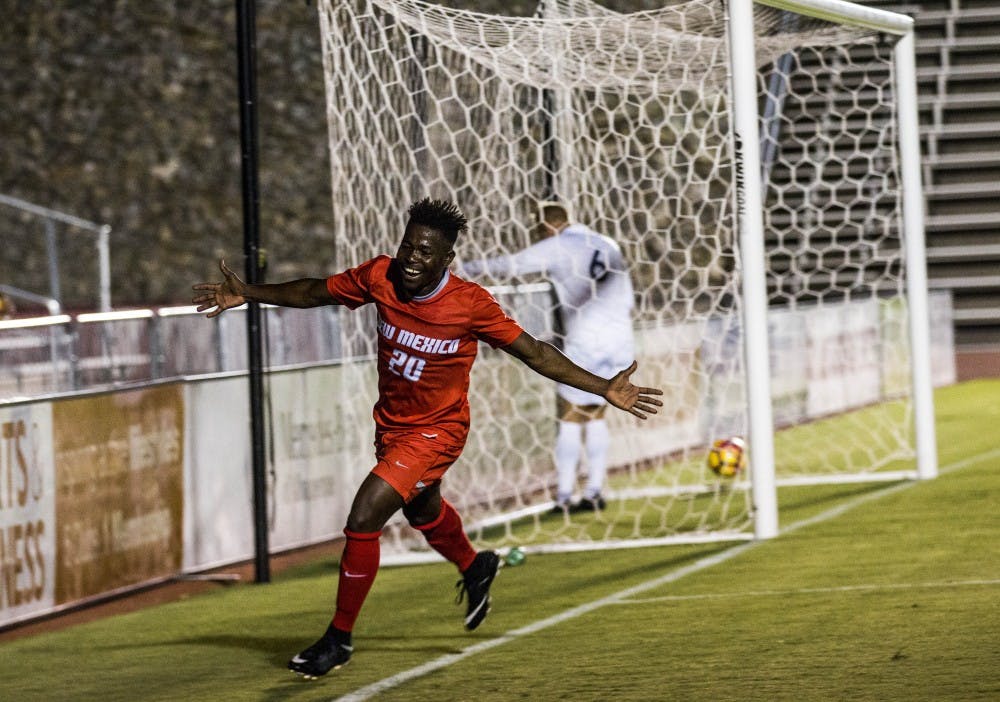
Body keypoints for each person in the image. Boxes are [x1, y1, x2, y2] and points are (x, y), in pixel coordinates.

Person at [192, 198, 662, 679]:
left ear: (446, 259)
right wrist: (249, 292)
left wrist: (604, 387)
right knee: (422, 509)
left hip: (438, 431)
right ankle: (474, 564)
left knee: (364, 516)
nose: (412, 259)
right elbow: (316, 292)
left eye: (425, 252)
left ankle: (338, 639)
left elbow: (536, 353)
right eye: (408, 247)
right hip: (393, 426)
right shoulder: (381, 276)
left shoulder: (470, 304)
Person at [460, 202, 636, 512]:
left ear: (547, 227)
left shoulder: (559, 245)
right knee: (596, 412)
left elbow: (512, 265)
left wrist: (467, 267)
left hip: (586, 338)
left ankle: (565, 494)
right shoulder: (606, 242)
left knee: (570, 413)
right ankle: (594, 490)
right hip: (621, 336)